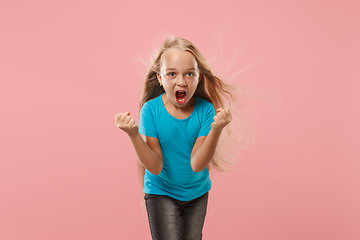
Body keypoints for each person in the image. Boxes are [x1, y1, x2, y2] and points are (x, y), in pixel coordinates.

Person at [115, 36, 236, 240]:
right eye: (172, 74)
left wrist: (216, 129)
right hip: (160, 191)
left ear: (198, 78)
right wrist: (133, 135)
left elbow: (197, 164)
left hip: (196, 194)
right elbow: (154, 166)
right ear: (160, 78)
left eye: (189, 73)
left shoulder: (205, 110)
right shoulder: (150, 110)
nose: (181, 81)